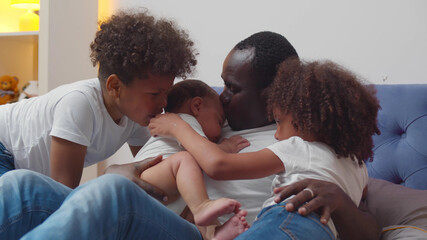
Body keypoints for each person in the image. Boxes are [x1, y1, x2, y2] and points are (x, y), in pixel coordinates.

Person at [0, 31, 379, 240]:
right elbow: (148, 169)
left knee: (108, 193)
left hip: (201, 233)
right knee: (20, 185)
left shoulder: (310, 141)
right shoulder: (206, 122)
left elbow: (368, 213)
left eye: (231, 88)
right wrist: (124, 171)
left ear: (274, 96)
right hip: (150, 212)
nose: (221, 96)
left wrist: (341, 202)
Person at [0, 9, 198, 239]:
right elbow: (65, 197)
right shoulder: (79, 105)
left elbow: (152, 173)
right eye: (155, 94)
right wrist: (110, 174)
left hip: (19, 166)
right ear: (115, 86)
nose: (164, 102)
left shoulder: (137, 117)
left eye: (167, 92)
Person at [148, 58, 381, 239]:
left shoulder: (299, 147)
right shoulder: (359, 166)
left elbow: (219, 165)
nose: (276, 134)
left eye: (279, 122)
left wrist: (177, 126)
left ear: (305, 123)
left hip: (287, 218)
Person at [137, 79, 250, 239]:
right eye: (219, 120)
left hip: (161, 202)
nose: (220, 132)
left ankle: (214, 234)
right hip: (145, 181)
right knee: (184, 160)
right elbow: (205, 154)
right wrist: (226, 148)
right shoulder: (183, 120)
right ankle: (203, 207)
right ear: (197, 106)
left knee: (193, 210)